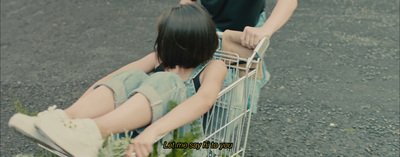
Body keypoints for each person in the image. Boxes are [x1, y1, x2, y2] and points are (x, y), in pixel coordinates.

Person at [9, 3, 226, 157]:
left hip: (178, 143)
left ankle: (92, 133)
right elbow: (115, 79)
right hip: (132, 140)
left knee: (166, 82)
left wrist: (151, 133)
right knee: (135, 76)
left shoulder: (213, 67)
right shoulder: (158, 59)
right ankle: (65, 122)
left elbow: (204, 100)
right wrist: (71, 113)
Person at [180, 0, 298, 114]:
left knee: (238, 102)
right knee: (202, 86)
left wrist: (266, 30)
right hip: (210, 24)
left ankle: (256, 74)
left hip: (248, 30)